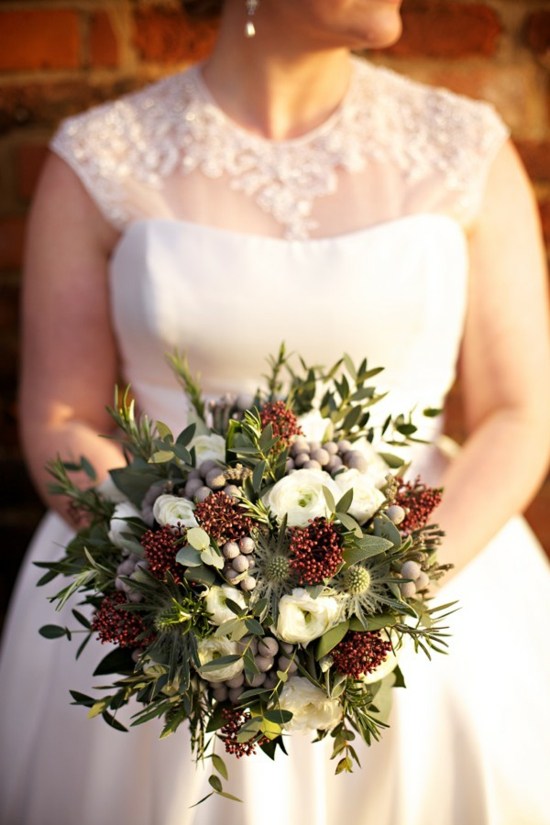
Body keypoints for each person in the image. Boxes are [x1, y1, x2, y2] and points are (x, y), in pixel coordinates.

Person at [1, 1, 549, 823]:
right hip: (172, 606)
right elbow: (57, 416)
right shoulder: (100, 157)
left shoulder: (465, 146)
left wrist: (385, 592)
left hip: (439, 590)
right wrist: (178, 576)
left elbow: (519, 411)